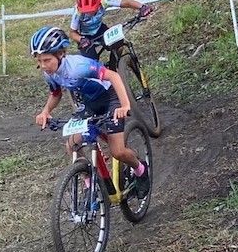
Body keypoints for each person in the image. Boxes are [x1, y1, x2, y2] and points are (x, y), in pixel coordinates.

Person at [31, 26, 150, 199]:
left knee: (117, 151)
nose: (43, 65)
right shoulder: (50, 73)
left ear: (61, 54)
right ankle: (90, 186)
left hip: (110, 98)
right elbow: (55, 94)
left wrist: (125, 105)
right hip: (89, 103)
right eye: (39, 61)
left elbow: (113, 77)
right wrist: (45, 111)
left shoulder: (78, 66)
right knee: (72, 145)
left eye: (47, 60)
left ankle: (140, 169)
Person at [69, 0, 151, 61]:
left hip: (100, 30)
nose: (89, 12)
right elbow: (73, 32)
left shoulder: (104, 1)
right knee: (92, 62)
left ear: (99, 2)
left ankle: (114, 64)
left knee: (118, 44)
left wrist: (142, 7)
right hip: (84, 36)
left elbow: (126, 3)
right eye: (86, 11)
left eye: (92, 9)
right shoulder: (78, 12)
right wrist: (81, 40)